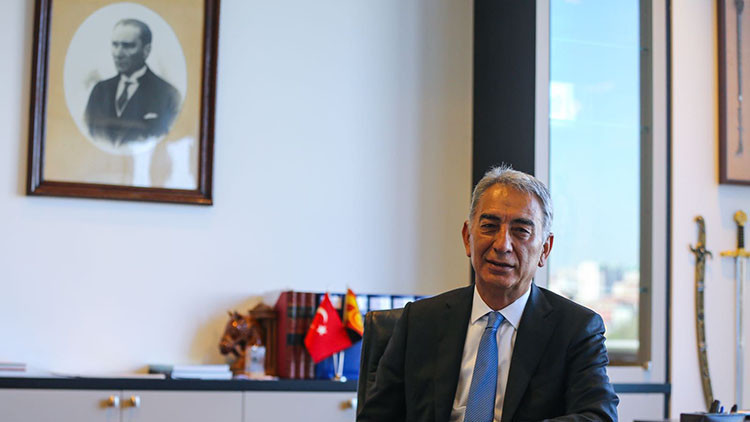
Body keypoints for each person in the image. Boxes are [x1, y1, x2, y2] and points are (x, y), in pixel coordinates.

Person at [357, 165, 618, 422]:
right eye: (489, 226)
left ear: (545, 249)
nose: (502, 245)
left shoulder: (575, 330)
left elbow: (598, 416)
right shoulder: (420, 321)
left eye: (521, 231)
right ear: (467, 238)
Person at [84, 18, 181, 145]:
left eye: (127, 46)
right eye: (115, 45)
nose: (118, 54)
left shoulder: (168, 95)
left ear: (146, 50)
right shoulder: (100, 90)